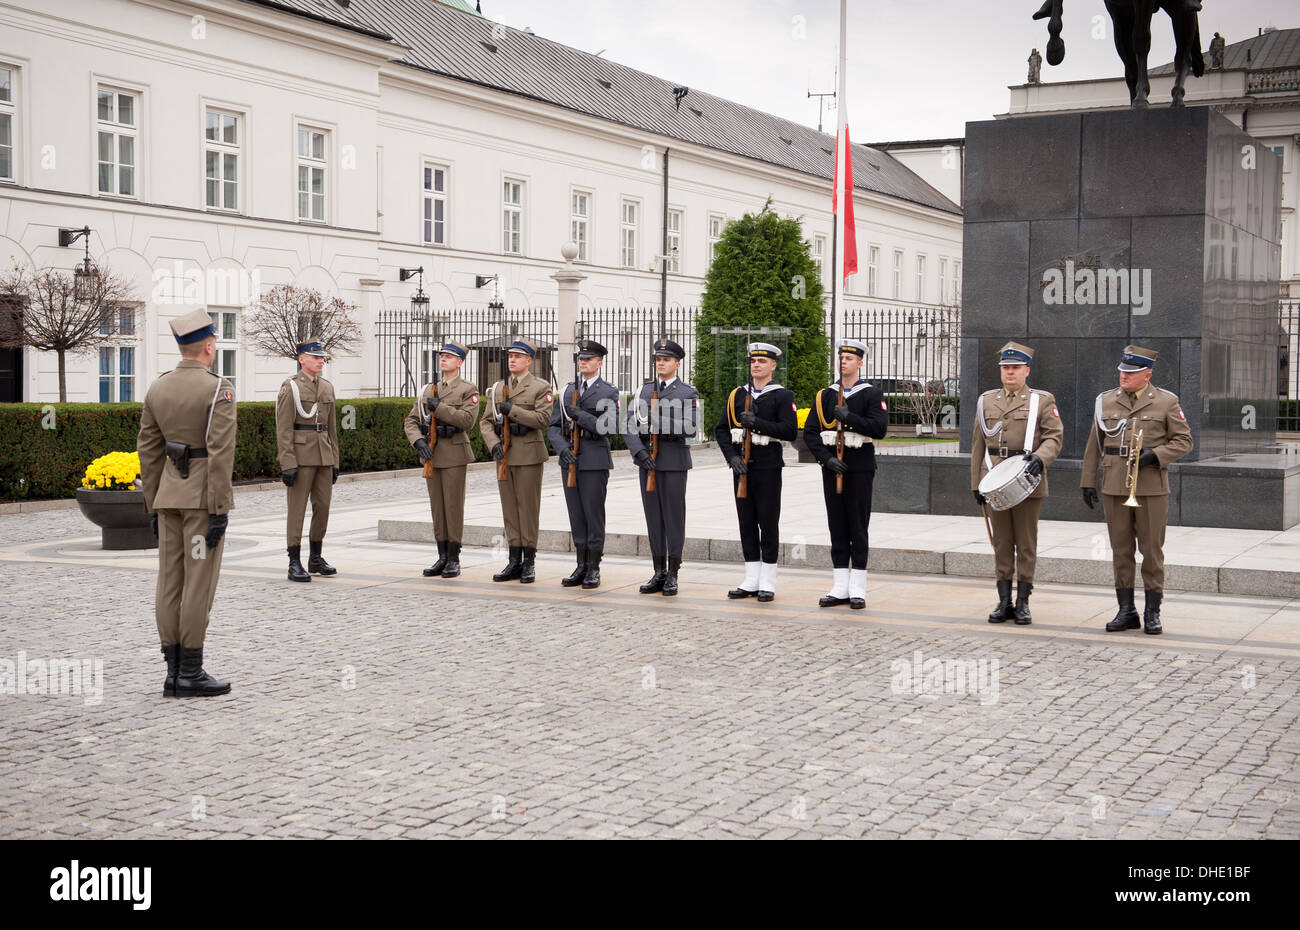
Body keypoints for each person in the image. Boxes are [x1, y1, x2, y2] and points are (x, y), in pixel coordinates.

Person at [136, 307, 236, 698]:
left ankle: (172, 670)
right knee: (199, 583)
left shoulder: (157, 387)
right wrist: (220, 508)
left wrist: (152, 503)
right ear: (209, 346)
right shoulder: (217, 388)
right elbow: (220, 452)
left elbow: (147, 449)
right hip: (200, 501)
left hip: (168, 497)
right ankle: (190, 671)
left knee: (169, 582)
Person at [1081, 346, 1193, 635]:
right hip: (1115, 486)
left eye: (1130, 373)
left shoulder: (1166, 402)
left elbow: (1184, 441)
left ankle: (1152, 612)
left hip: (1150, 488)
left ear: (1147, 375)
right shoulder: (1105, 401)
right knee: (1121, 551)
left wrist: (1155, 455)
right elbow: (1095, 444)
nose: (1123, 376)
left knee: (1151, 551)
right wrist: (1087, 480)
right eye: (1122, 371)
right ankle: (1126, 610)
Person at [970, 342, 1063, 624]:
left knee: (1025, 544)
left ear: (1027, 371)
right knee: (1001, 543)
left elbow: (1054, 437)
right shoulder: (987, 400)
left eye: (1015, 368)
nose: (1010, 373)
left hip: (1026, 480)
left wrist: (1041, 458)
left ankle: (1023, 601)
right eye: (1005, 368)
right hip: (995, 479)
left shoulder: (1041, 400)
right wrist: (977, 483)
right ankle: (1003, 601)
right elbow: (978, 444)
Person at [803, 338, 889, 609]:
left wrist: (848, 416)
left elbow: (879, 429)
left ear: (860, 363)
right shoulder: (825, 395)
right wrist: (826, 460)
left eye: (849, 358)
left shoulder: (871, 394)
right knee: (837, 526)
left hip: (859, 467)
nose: (843, 362)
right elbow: (811, 433)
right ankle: (840, 585)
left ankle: (858, 588)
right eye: (841, 358)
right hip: (833, 469)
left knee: (857, 526)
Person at [715, 342, 797, 602]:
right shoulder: (737, 395)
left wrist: (758, 424)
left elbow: (789, 431)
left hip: (768, 463)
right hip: (741, 464)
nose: (756, 365)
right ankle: (751, 578)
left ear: (773, 366)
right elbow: (721, 429)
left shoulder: (782, 396)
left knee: (768, 521)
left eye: (762, 362)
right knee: (746, 521)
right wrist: (731, 458)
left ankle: (768, 581)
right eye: (753, 361)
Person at [623, 338, 699, 596]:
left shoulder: (687, 392)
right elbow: (629, 426)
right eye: (658, 359)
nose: (661, 363)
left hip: (673, 461)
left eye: (666, 359)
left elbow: (690, 427)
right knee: (653, 518)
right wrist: (639, 452)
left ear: (677, 363)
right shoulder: (644, 391)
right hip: (648, 462)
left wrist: (657, 418)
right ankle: (658, 571)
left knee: (673, 518)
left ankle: (674, 572)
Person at [479, 338, 554, 583]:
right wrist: (493, 444)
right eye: (510, 356)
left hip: (529, 454)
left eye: (518, 356)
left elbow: (542, 420)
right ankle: (514, 560)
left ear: (529, 361)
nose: (512, 360)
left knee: (528, 510)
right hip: (504, 455)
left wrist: (513, 410)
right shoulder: (499, 387)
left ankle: (529, 561)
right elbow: (486, 421)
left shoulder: (540, 387)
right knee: (509, 509)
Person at [403, 341, 480, 579]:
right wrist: (418, 442)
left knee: (453, 507)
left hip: (455, 452)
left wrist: (441, 408)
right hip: (432, 454)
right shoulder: (428, 390)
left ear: (460, 362)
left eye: (449, 356)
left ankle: (454, 558)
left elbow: (467, 421)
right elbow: (411, 421)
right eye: (442, 355)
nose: (443, 359)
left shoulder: (468, 389)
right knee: (437, 508)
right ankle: (442, 555)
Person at [547, 339, 620, 589]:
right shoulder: (568, 390)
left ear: (599, 362)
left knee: (593, 515)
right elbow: (554, 425)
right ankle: (580, 564)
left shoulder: (608, 391)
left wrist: (583, 416)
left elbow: (610, 427)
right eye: (581, 358)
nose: (583, 362)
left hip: (594, 459)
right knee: (576, 515)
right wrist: (562, 448)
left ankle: (593, 567)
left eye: (589, 359)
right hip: (570, 460)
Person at [276, 341, 340, 582]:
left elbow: (331, 428)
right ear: (302, 359)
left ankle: (316, 557)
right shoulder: (290, 387)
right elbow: (283, 429)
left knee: (322, 507)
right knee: (297, 510)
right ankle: (294, 560)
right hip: (301, 457)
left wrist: (335, 461)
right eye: (315, 357)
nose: (320, 360)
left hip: (323, 455)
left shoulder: (326, 387)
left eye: (322, 357)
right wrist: (287, 462)